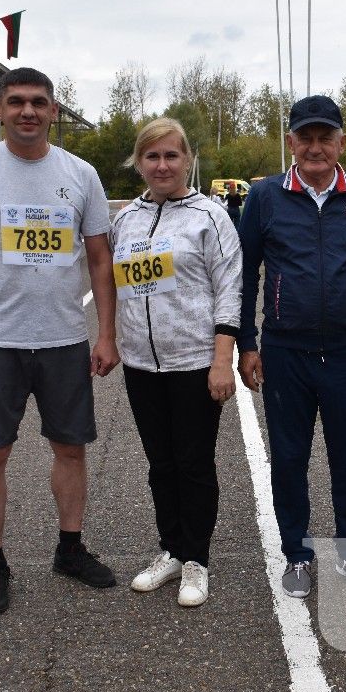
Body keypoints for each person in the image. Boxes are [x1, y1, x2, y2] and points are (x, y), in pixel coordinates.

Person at [0, 67, 120, 616]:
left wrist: (105, 333)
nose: (28, 112)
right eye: (16, 102)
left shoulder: (81, 174)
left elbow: (98, 259)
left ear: (54, 112)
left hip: (64, 338)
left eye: (39, 102)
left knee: (70, 448)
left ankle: (70, 548)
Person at [237, 95, 346, 599]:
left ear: (341, 142)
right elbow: (244, 278)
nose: (315, 147)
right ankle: (297, 556)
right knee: (288, 458)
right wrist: (247, 342)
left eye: (326, 137)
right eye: (305, 137)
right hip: (286, 352)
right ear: (291, 143)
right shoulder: (264, 197)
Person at [113, 118, 241, 607]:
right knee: (160, 463)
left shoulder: (210, 217)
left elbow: (230, 289)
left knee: (193, 463)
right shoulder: (124, 220)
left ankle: (196, 559)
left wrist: (221, 360)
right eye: (152, 156)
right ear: (139, 163)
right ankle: (170, 547)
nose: (162, 165)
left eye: (171, 155)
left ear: (187, 159)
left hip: (193, 361)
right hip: (141, 363)